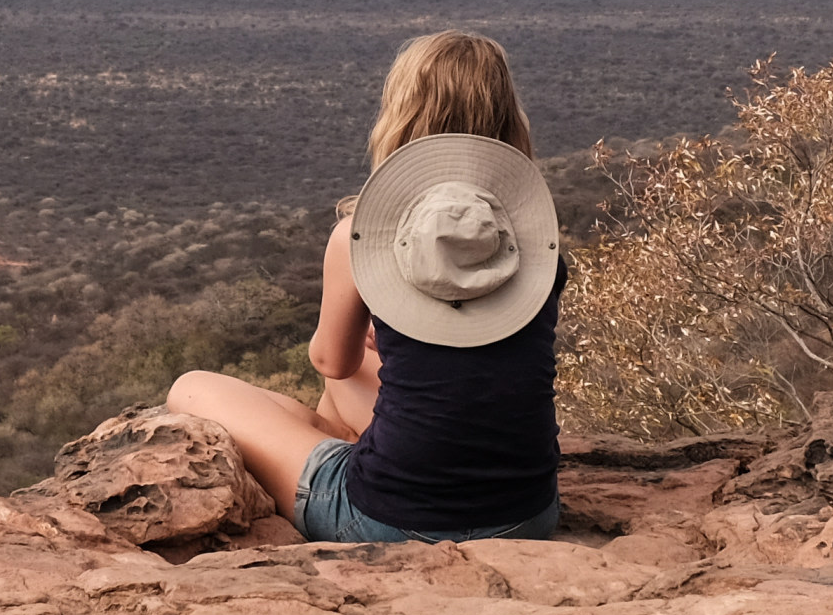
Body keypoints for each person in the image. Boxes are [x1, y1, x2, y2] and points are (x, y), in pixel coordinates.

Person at [170, 29, 565, 543]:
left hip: (388, 521)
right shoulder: (539, 245)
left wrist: (365, 335)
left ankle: (363, 464)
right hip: (527, 516)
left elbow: (332, 362)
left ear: (402, 116)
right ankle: (367, 449)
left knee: (192, 387)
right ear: (510, 118)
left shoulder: (359, 241)